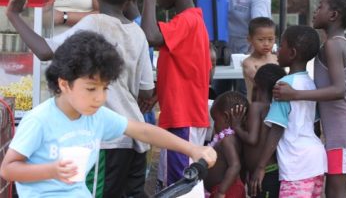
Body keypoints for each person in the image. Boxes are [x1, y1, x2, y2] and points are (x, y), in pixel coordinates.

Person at [6, 0, 158, 197]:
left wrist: (14, 15)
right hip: (134, 138)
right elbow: (147, 91)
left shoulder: (92, 23)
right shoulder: (137, 34)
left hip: (104, 143)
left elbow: (46, 51)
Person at [0, 31, 217, 197]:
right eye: (91, 89)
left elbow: (143, 131)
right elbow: (8, 169)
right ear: (64, 84)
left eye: (105, 88)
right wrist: (51, 171)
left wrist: (193, 148)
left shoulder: (97, 116)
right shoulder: (39, 120)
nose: (100, 97)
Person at [273, 0, 346, 198]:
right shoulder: (334, 43)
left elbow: (338, 90)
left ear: (333, 15)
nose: (315, 10)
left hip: (345, 129)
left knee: (335, 192)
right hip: (342, 128)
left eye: (320, 6)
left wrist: (295, 94)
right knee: (333, 191)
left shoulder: (334, 44)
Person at [141, 0, 211, 187]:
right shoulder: (192, 21)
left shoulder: (187, 21)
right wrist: (159, 95)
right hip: (182, 118)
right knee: (173, 184)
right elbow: (187, 69)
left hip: (184, 119)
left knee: (180, 188)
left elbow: (149, 36)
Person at [251, 25, 327, 197]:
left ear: (292, 53)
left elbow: (277, 129)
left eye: (281, 45)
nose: (276, 49)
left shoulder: (283, 86)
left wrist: (260, 166)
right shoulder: (310, 84)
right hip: (316, 160)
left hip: (296, 165)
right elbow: (316, 126)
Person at [210, 0, 272, 97]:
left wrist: (252, 60)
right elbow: (208, 10)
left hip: (246, 48)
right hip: (221, 45)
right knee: (218, 92)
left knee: (244, 94)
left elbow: (260, 30)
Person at [231, 64, 286, 198]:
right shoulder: (273, 107)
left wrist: (237, 126)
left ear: (257, 85)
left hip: (264, 173)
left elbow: (252, 139)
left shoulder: (256, 107)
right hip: (269, 171)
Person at [204, 91, 248, 198]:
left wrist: (221, 191)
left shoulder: (227, 140)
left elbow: (235, 165)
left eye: (215, 120)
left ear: (226, 117)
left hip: (228, 190)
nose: (213, 125)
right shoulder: (234, 138)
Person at [242, 17, 277, 103]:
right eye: (261, 40)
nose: (266, 44)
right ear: (249, 39)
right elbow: (260, 82)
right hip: (256, 107)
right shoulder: (249, 63)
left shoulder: (276, 59)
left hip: (275, 106)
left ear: (275, 38)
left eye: (270, 39)